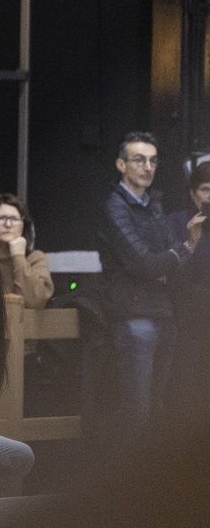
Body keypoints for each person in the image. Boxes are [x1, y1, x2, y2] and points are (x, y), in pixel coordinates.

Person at [94, 132, 202, 442]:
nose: (148, 167)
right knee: (136, 409)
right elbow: (146, 264)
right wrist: (185, 248)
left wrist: (167, 261)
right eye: (139, 160)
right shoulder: (114, 206)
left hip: (163, 312)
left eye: (153, 161)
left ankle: (146, 470)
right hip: (133, 315)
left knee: (156, 409)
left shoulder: (154, 204)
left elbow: (161, 262)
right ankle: (125, 471)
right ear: (121, 164)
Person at [165, 160, 210, 412]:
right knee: (186, 384)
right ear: (193, 194)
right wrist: (191, 242)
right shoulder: (177, 223)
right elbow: (171, 274)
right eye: (205, 189)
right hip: (185, 317)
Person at [0, 193, 54, 308]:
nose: (8, 224)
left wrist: (18, 256)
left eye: (14, 219)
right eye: (1, 218)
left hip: (22, 319)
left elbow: (36, 301)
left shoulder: (35, 258)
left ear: (23, 225)